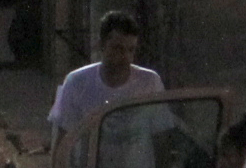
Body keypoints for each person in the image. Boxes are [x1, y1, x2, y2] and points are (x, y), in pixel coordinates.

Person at [44, 10, 171, 147]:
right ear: (101, 45)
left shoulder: (150, 82)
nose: (126, 57)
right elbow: (62, 139)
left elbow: (162, 136)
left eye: (131, 50)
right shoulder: (75, 81)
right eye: (118, 49)